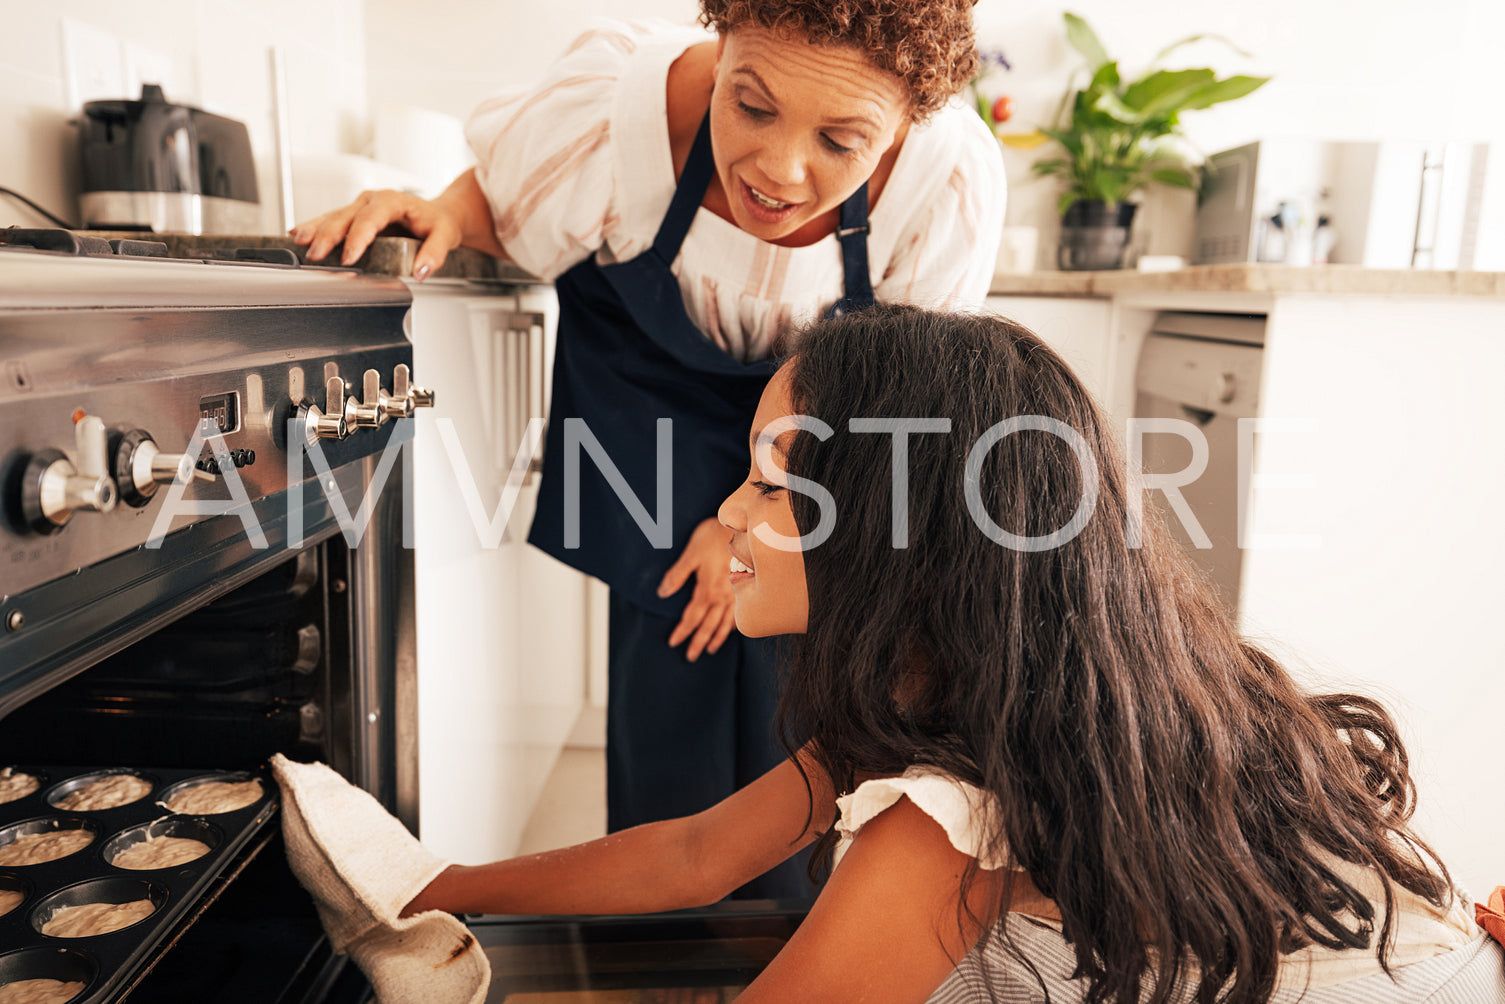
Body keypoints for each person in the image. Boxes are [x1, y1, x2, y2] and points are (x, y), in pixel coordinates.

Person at [363, 305, 1498, 1002]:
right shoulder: (968, 690)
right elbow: (697, 853)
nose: (728, 511)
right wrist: (418, 889)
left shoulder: (938, 818)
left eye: (768, 481)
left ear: (888, 532)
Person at [291, 1, 1004, 901]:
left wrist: (755, 518)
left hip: (828, 442)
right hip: (647, 428)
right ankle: (655, 954)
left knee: (806, 680)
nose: (780, 169)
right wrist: (437, 211)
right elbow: (507, 203)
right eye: (750, 106)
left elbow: (900, 399)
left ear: (908, 122)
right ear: (718, 53)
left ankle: (789, 931)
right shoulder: (615, 109)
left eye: (841, 139)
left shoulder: (946, 184)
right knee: (670, 688)